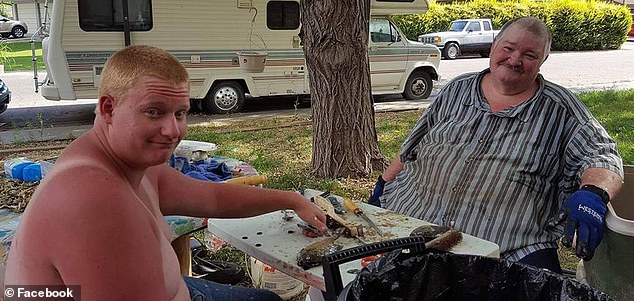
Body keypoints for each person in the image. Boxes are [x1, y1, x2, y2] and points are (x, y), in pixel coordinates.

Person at [5, 45, 327, 301]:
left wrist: (291, 199)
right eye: (153, 112)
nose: (173, 131)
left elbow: (211, 197)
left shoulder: (130, 163)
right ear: (108, 109)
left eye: (181, 113)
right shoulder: (94, 199)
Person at [369, 17, 623, 273]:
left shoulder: (560, 109)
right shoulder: (456, 90)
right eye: (508, 48)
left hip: (509, 248)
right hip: (411, 226)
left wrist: (592, 194)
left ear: (542, 62)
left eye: (529, 55)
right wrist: (381, 188)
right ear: (493, 46)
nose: (515, 60)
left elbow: (602, 155)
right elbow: (411, 147)